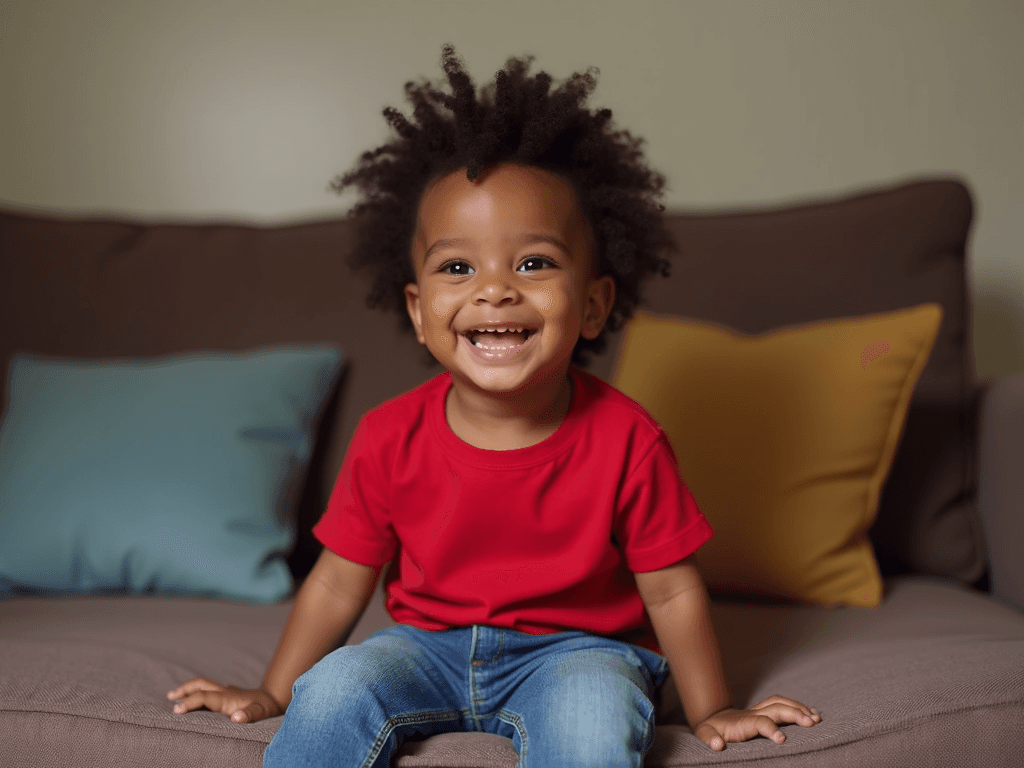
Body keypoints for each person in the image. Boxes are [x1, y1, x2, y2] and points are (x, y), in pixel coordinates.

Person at [167, 43, 821, 767]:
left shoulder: (628, 438)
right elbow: (335, 580)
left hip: (577, 653)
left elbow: (670, 591)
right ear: (417, 311)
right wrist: (276, 691)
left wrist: (714, 710)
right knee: (338, 686)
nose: (495, 289)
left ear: (596, 304)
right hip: (423, 648)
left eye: (534, 262)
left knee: (592, 719)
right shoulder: (389, 435)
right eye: (457, 266)